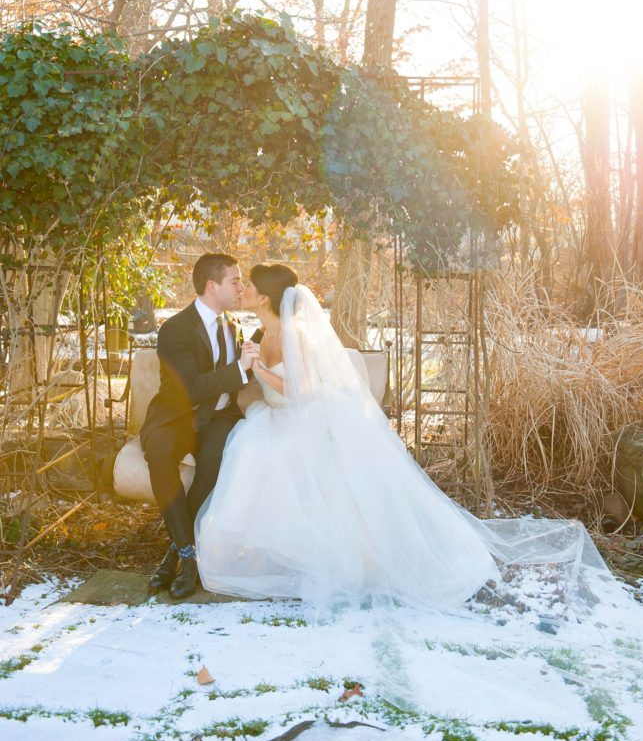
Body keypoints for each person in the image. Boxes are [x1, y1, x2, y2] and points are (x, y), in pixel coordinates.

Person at [195, 263, 507, 609]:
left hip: (302, 417)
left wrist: (259, 370)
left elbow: (303, 389)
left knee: (275, 458)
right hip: (274, 416)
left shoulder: (292, 333)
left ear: (265, 297)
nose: (244, 290)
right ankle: (272, 557)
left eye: (249, 285)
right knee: (251, 451)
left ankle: (324, 559)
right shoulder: (259, 334)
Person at [140, 253, 261, 599]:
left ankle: (178, 553)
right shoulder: (175, 329)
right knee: (159, 449)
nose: (240, 287)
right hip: (177, 416)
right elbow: (190, 387)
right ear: (212, 285)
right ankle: (188, 553)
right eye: (234, 281)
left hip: (217, 420)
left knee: (216, 456)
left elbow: (240, 373)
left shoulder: (233, 326)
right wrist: (239, 368)